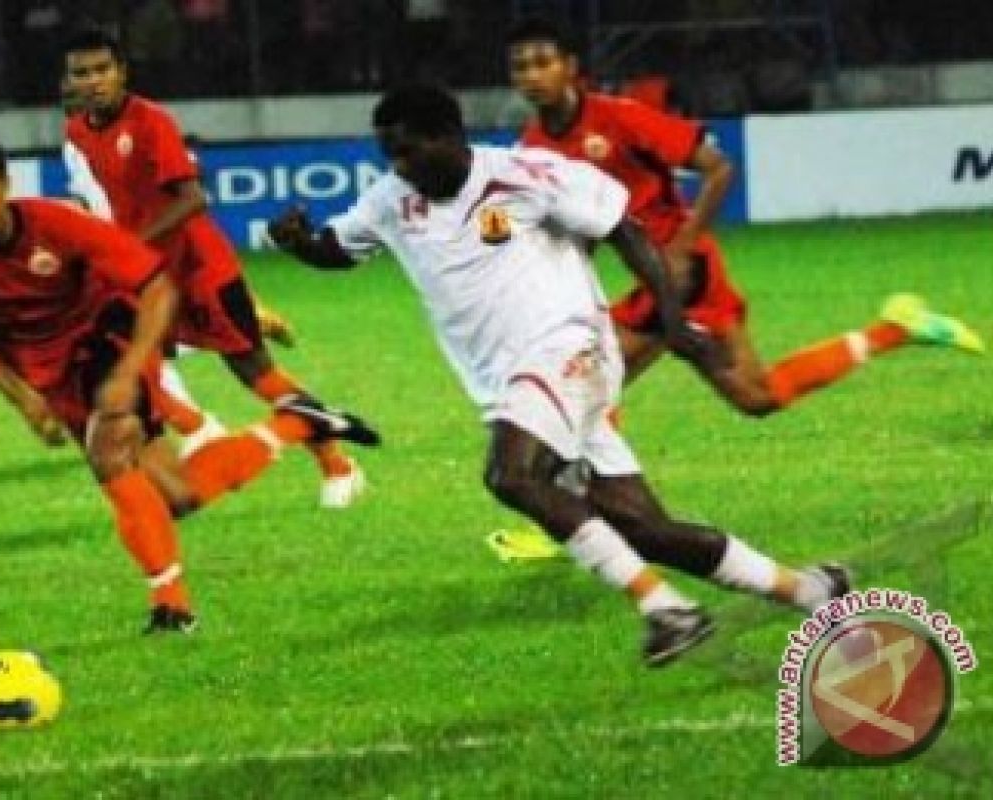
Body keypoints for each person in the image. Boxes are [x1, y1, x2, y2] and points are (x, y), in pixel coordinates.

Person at [268, 86, 849, 666]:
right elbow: (339, 249)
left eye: (409, 152)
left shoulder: (524, 174)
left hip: (566, 348)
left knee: (512, 476)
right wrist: (301, 245)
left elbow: (627, 231)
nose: (400, 167)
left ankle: (666, 608)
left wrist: (670, 322)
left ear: (448, 138)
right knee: (641, 528)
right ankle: (812, 591)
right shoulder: (393, 199)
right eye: (390, 155)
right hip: (509, 380)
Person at [491, 16, 984, 562]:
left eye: (543, 62)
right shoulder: (533, 148)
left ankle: (565, 516)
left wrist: (681, 246)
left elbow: (717, 167)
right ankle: (895, 328)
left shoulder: (620, 118)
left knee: (591, 388)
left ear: (570, 69)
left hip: (689, 278)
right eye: (521, 66)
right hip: (651, 285)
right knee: (750, 396)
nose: (532, 75)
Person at [0, 134, 379, 635]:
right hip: (52, 373)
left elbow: (157, 285)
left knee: (108, 454)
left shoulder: (59, 223)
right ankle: (294, 425)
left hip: (107, 338)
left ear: (4, 185)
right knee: (176, 498)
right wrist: (24, 398)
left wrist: (129, 370)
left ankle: (172, 608)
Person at [61, 28, 365, 509]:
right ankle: (199, 431)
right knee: (128, 365)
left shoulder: (150, 121)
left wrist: (130, 246)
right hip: (146, 277)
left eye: (103, 69)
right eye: (82, 73)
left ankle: (337, 461)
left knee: (256, 374)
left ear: (122, 72)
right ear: (69, 80)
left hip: (200, 271)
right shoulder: (78, 129)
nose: (94, 80)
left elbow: (193, 197)